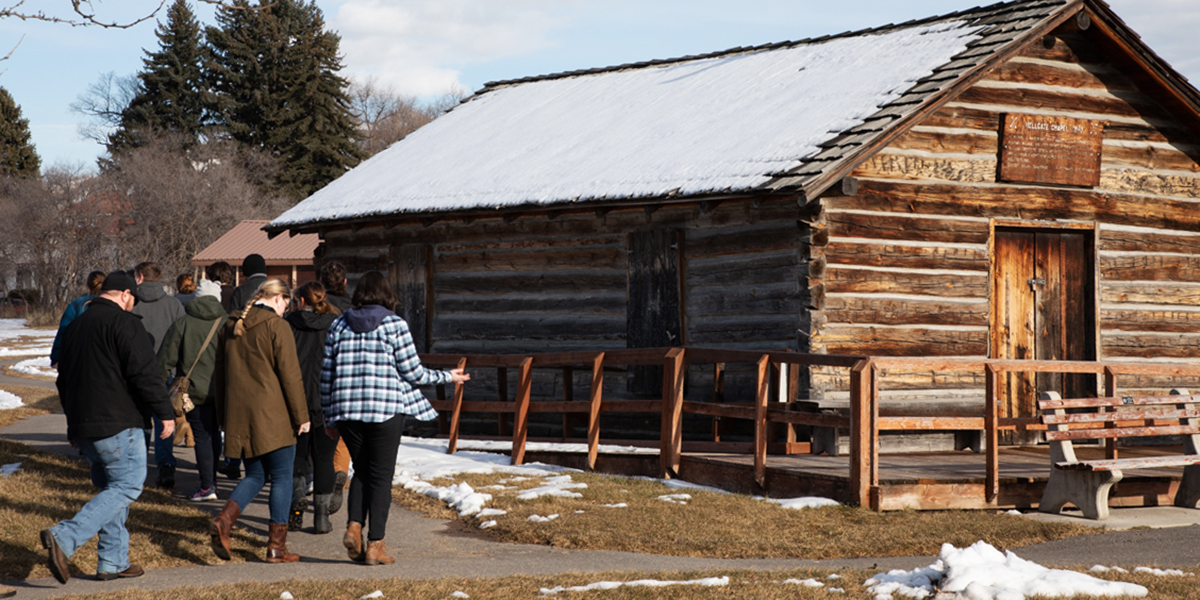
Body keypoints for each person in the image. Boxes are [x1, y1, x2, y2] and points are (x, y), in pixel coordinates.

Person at [321, 271, 469, 565]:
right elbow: (413, 372)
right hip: (385, 409)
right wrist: (446, 376)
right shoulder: (395, 324)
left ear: (359, 294)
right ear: (387, 294)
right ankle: (375, 544)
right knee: (381, 476)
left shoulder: (339, 324)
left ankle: (354, 526)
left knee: (361, 471)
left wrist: (329, 417)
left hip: (347, 410)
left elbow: (326, 374)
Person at [42, 270, 175, 584]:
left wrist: (74, 424)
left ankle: (113, 562)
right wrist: (164, 412)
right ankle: (64, 538)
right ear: (126, 295)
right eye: (133, 300)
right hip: (118, 422)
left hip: (86, 425)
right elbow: (145, 374)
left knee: (111, 491)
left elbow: (64, 380)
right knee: (127, 486)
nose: (132, 305)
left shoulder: (75, 327)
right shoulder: (126, 324)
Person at [209, 278, 309, 564]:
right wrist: (301, 416)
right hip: (274, 414)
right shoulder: (277, 326)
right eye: (285, 305)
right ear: (277, 299)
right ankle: (277, 547)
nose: (285, 311)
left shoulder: (230, 324)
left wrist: (222, 416)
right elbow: (291, 375)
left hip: (239, 413)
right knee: (281, 476)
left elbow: (220, 374)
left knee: (255, 475)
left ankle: (225, 521)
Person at [157, 279, 226, 502]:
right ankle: (211, 481)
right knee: (215, 435)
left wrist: (157, 388)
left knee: (203, 437)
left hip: (192, 392)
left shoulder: (182, 323)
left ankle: (207, 486)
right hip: (224, 391)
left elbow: (165, 360)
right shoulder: (228, 323)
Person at [285, 281, 342, 533]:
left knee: (296, 456)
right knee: (324, 459)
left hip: (294, 399)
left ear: (301, 301)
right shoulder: (336, 325)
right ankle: (321, 516)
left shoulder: (288, 323)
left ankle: (296, 497)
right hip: (327, 399)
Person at [132, 262, 186, 490]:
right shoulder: (173, 305)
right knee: (165, 419)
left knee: (140, 420)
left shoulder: (130, 303)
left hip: (136, 370)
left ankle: (138, 466)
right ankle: (165, 465)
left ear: (140, 277)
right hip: (167, 371)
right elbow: (182, 341)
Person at [319, 260, 353, 515]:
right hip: (345, 373)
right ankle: (340, 472)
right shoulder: (352, 309)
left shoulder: (318, 307)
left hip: (317, 371)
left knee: (320, 431)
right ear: (344, 282)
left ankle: (323, 477)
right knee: (341, 434)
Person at [49, 270, 105, 368]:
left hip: (78, 360)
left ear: (88, 285)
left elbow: (63, 331)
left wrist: (56, 358)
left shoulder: (77, 305)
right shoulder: (110, 306)